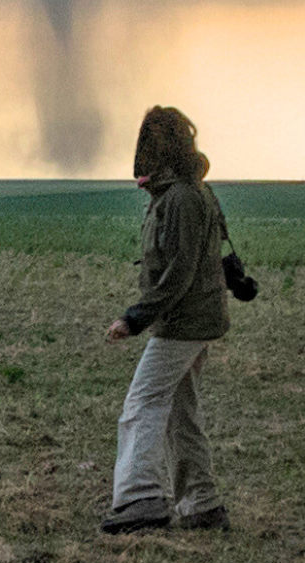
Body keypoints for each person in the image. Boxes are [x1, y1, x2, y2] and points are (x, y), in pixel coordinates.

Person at [101, 106, 237, 535]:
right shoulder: (193, 192)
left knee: (141, 403)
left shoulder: (179, 198)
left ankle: (140, 499)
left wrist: (134, 319)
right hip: (197, 320)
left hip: (184, 323)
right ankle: (202, 504)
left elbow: (179, 271)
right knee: (181, 411)